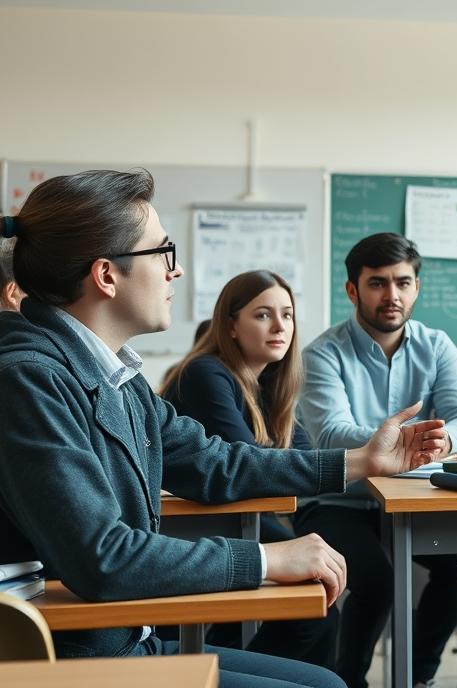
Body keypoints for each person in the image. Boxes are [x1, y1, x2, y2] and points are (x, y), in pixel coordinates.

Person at [0, 170, 445, 688]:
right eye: (163, 253)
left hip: (109, 640)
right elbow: (105, 558)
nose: (177, 271)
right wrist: (269, 558)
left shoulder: (114, 375)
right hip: (44, 659)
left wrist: (362, 462)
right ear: (105, 275)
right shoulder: (24, 384)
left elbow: (217, 462)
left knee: (323, 681)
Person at [294, 232, 457, 688]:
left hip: (413, 496)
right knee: (378, 581)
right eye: (378, 283)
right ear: (353, 290)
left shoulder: (436, 345)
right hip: (337, 501)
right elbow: (331, 435)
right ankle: (348, 681)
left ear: (417, 287)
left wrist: (438, 443)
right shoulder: (322, 353)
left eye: (403, 282)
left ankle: (417, 676)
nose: (392, 295)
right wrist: (411, 442)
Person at [162, 269, 338, 667]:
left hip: (233, 518)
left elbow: (303, 463)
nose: (280, 326)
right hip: (187, 528)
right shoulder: (205, 372)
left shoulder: (272, 382)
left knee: (318, 598)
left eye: (288, 315)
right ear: (232, 326)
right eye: (263, 315)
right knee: (315, 609)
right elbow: (251, 464)